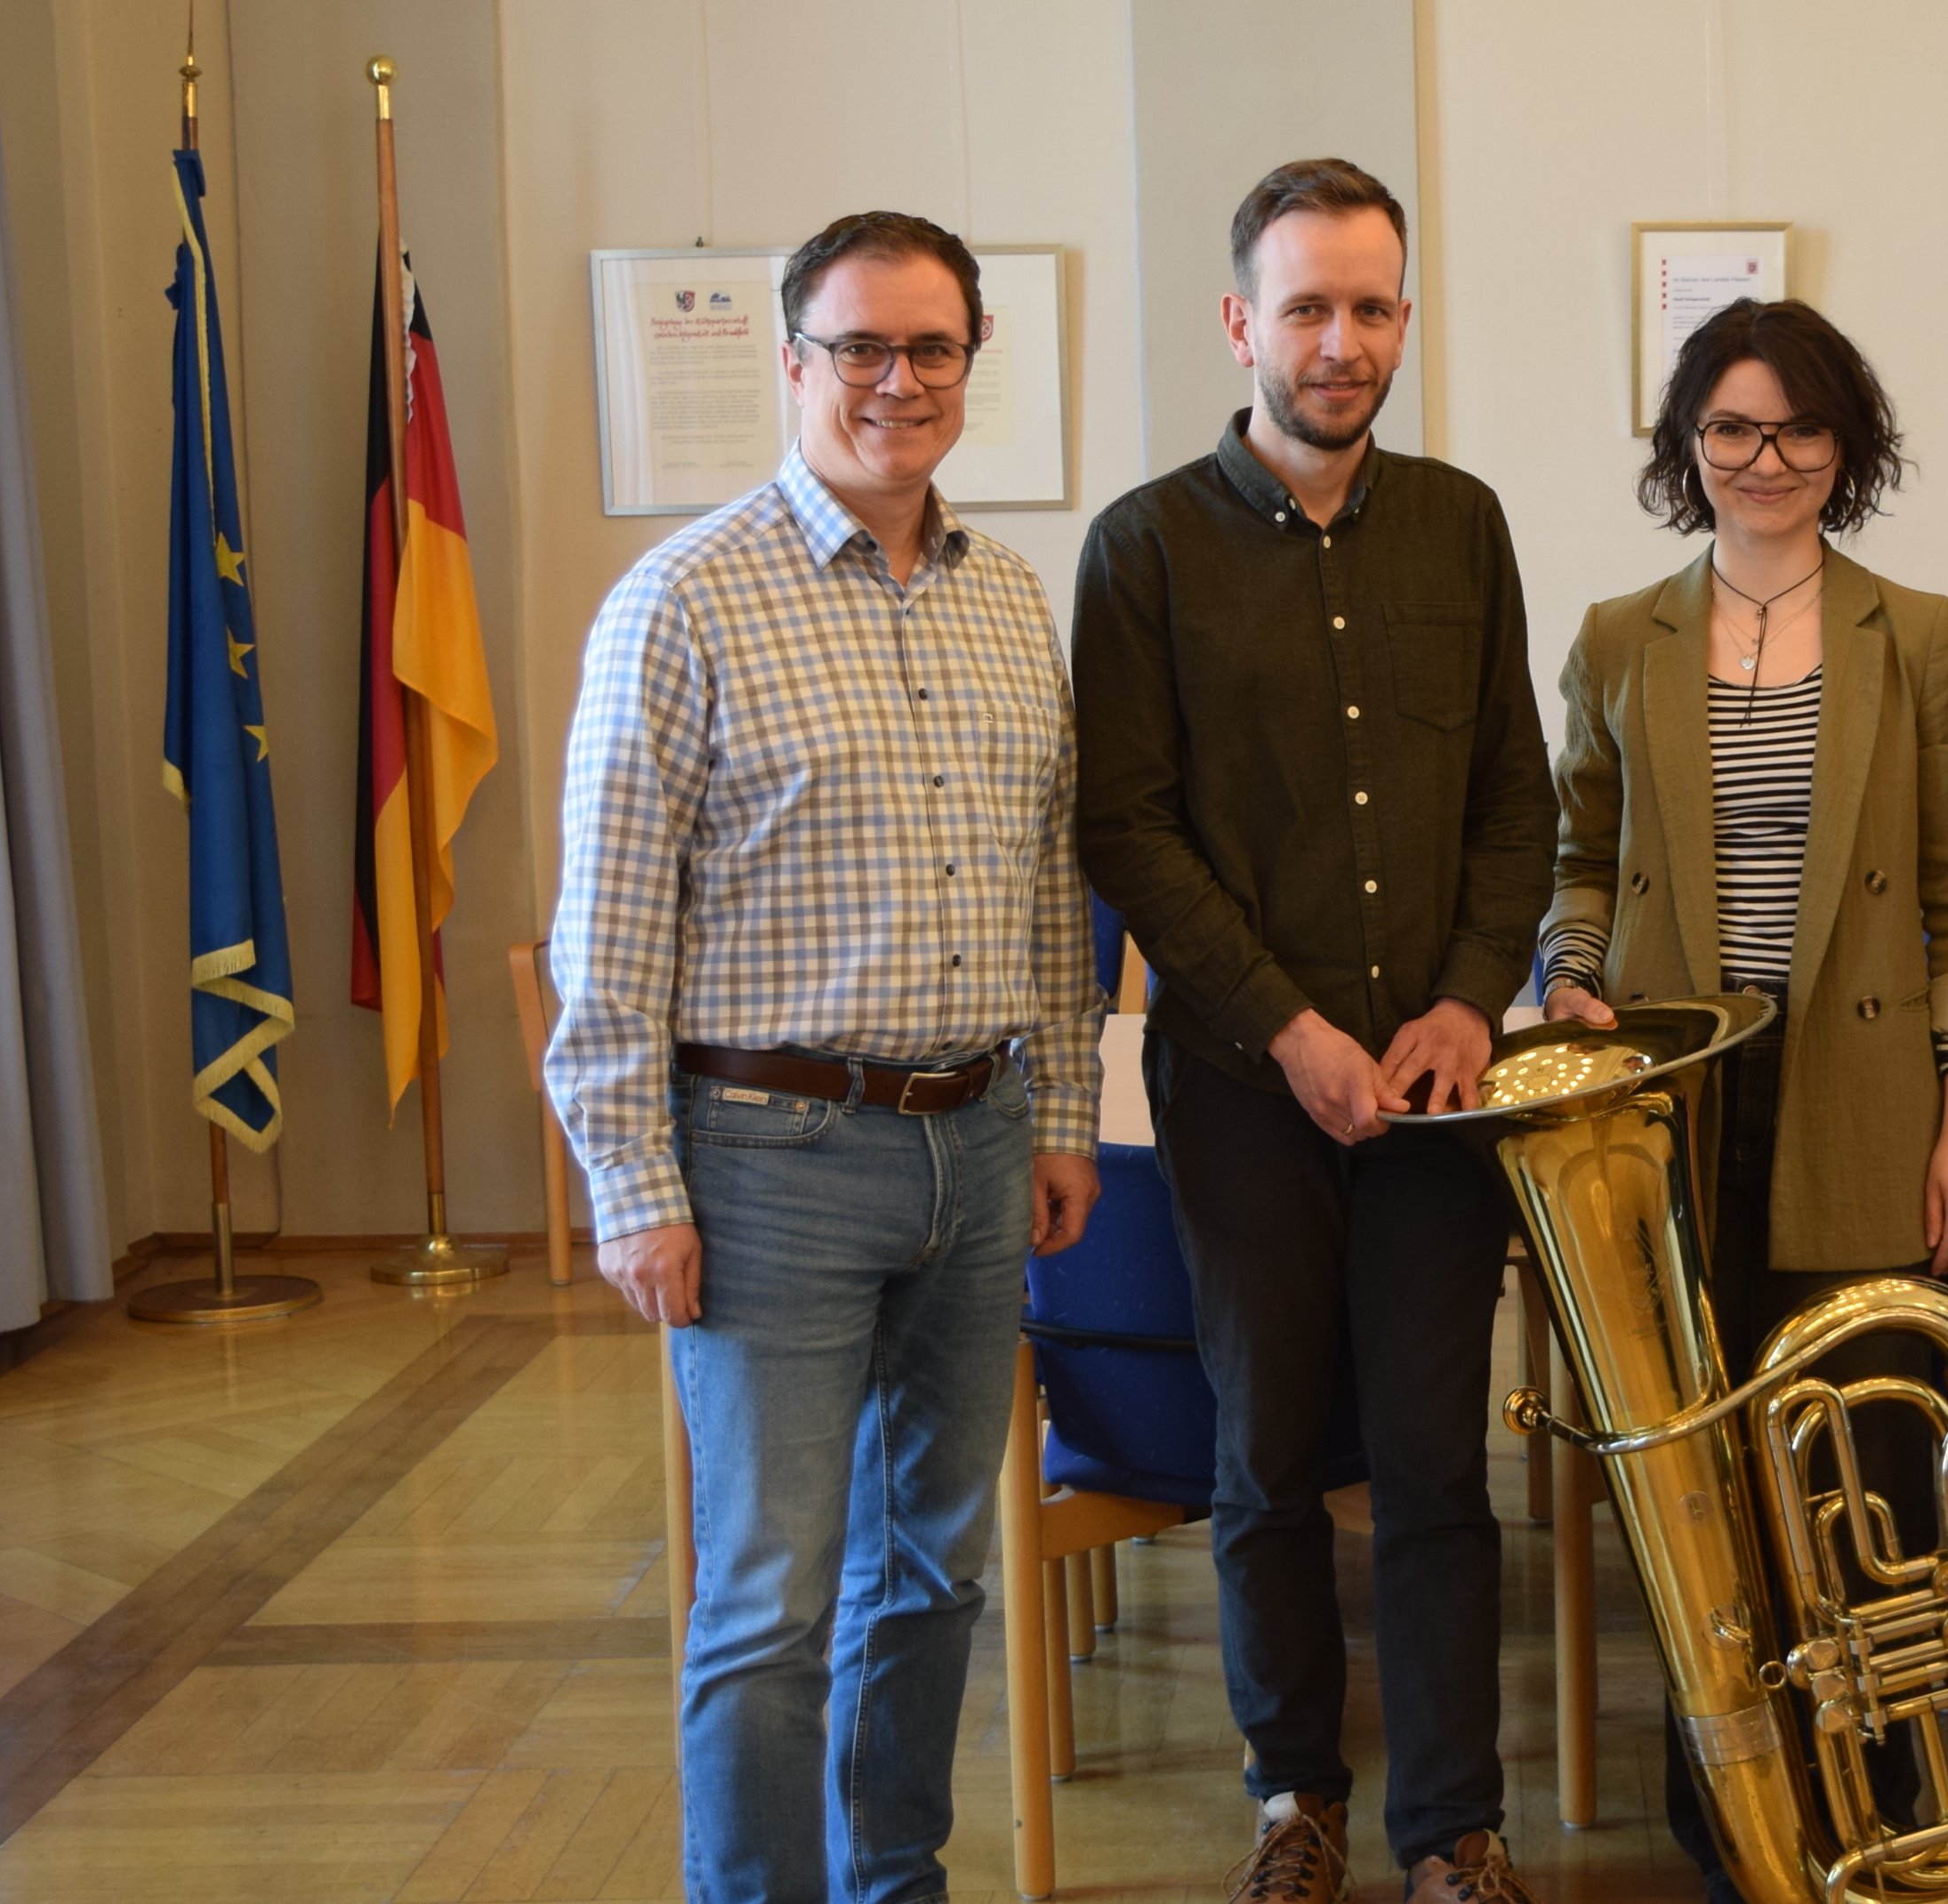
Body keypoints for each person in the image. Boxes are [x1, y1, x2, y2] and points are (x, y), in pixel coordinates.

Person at [547, 209, 1106, 1904]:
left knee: (932, 1571)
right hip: (767, 1161)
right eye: (859, 348)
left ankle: (896, 1882)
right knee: (772, 1595)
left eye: (930, 348)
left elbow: (1052, 886)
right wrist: (635, 1190)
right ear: (792, 364)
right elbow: (608, 939)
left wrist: (1064, 1117)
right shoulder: (683, 604)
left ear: (969, 366)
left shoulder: (1014, 600)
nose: (896, 381)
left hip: (983, 1136)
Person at [1072, 157, 1553, 1904]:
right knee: (1265, 1454)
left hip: (1438, 1098)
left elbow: (1519, 801)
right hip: (1240, 1089)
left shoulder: (1464, 522)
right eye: (1305, 307)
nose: (1338, 341)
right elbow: (1128, 828)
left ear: (1402, 324)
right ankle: (1295, 1798)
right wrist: (1285, 1026)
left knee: (1437, 1462)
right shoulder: (1143, 547)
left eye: (1369, 308)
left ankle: (1453, 1822)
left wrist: (1463, 999)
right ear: (1238, 322)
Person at [1533, 297, 1948, 1904]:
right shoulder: (1616, 636)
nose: (1766, 460)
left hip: (1865, 1099)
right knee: (1707, 1504)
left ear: (1846, 446)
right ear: (1687, 446)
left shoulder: (1923, 633)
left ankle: (1879, 1821)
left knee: (1866, 1484)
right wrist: (1571, 973)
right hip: (1676, 1116)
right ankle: (1733, 1840)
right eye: (1731, 428)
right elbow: (1579, 861)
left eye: (1800, 429)